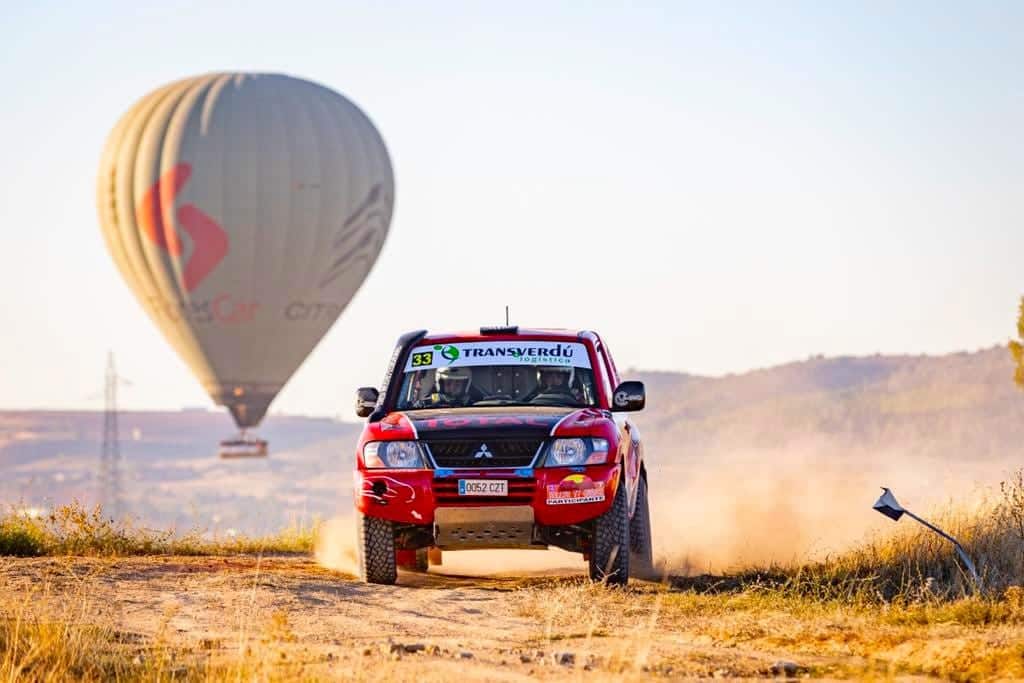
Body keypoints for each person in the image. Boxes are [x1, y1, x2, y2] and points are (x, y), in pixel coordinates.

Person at [415, 366, 480, 407]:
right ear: (440, 384)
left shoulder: (476, 404)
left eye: (457, 383)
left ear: (465, 385)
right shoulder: (426, 404)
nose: (452, 388)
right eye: (448, 383)